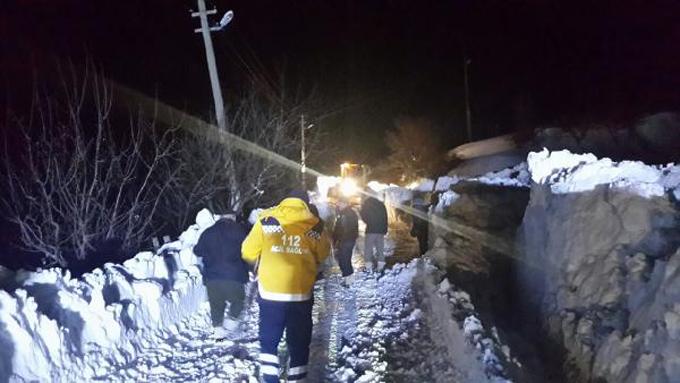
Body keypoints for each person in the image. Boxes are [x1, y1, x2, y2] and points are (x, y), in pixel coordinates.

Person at [242, 190, 330, 383]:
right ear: (306, 203)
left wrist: (259, 260)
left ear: (284, 200)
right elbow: (324, 254)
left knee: (269, 338)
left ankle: (270, 378)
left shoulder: (266, 220)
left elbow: (247, 251)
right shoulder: (314, 224)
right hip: (300, 293)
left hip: (270, 292)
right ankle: (297, 379)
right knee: (299, 341)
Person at [193, 213, 250, 338]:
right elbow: (249, 250)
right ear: (233, 219)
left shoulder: (208, 232)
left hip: (212, 277)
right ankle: (229, 324)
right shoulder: (239, 231)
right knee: (238, 302)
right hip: (234, 276)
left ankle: (218, 332)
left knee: (216, 305)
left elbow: (197, 251)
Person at [359, 194, 388, 272]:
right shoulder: (381, 204)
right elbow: (385, 217)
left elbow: (364, 218)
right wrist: (385, 229)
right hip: (381, 230)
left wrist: (361, 211)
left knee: (368, 248)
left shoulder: (366, 204)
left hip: (371, 230)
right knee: (380, 248)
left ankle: (368, 267)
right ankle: (381, 266)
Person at [333, 199, 359, 286]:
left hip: (346, 240)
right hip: (347, 239)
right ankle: (349, 278)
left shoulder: (347, 213)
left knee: (344, 259)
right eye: (338, 203)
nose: (338, 205)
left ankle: (349, 281)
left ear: (345, 204)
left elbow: (344, 229)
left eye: (340, 203)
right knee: (344, 258)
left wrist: (340, 240)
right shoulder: (344, 212)